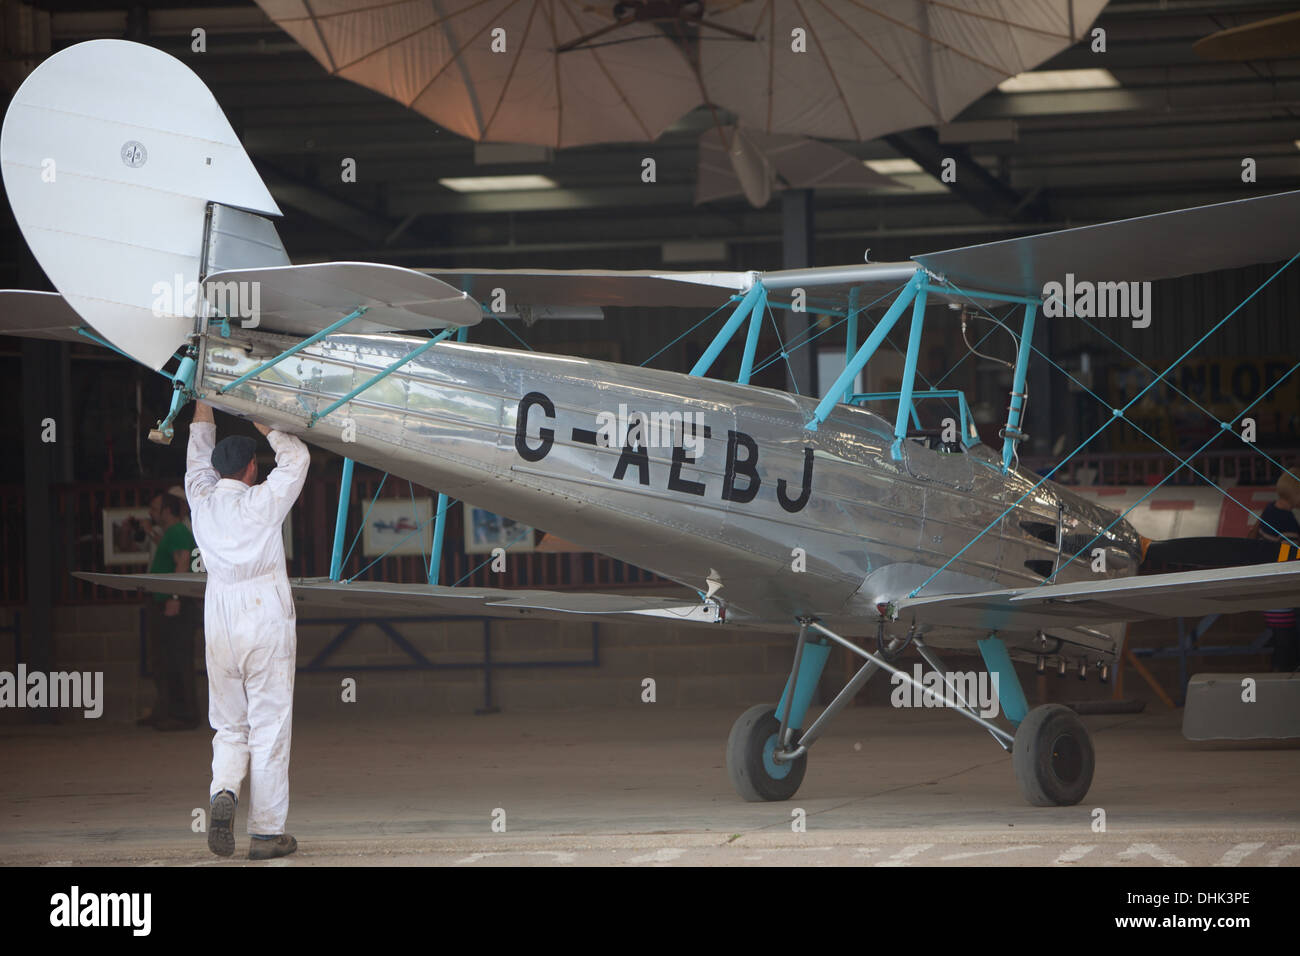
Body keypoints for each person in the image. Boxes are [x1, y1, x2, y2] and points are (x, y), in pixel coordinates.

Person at [185, 401, 310, 860]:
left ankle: (224, 791)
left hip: (218, 614)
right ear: (253, 468)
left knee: (229, 723)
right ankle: (266, 833)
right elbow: (298, 459)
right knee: (270, 726)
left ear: (220, 471)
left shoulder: (200, 499)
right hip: (263, 614)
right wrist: (262, 413)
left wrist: (206, 397)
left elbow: (198, 451)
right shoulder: (262, 502)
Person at [140, 492, 200, 730]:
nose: (152, 513)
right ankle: (169, 709)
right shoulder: (171, 533)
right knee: (166, 659)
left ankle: (183, 713)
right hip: (167, 602)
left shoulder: (176, 532)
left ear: (167, 510)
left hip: (174, 604)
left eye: (155, 508)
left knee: (176, 659)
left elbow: (182, 562)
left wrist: (175, 595)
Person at [1248, 472, 1300, 672]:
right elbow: (1289, 560)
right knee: (1287, 651)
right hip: (1283, 596)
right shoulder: (1287, 522)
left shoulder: (1269, 510)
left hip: (1268, 591)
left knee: (1281, 648)